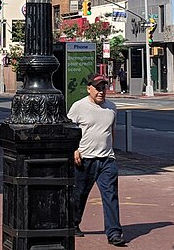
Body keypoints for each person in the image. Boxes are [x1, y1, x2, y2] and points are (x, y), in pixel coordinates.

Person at [67, 73, 125, 246]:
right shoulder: (79, 107)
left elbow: (111, 132)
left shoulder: (111, 108)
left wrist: (112, 152)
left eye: (103, 88)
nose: (101, 91)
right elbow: (69, 130)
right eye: (97, 88)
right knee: (80, 194)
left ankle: (114, 232)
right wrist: (74, 149)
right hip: (85, 160)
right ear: (89, 89)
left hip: (107, 160)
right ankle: (74, 223)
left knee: (111, 195)